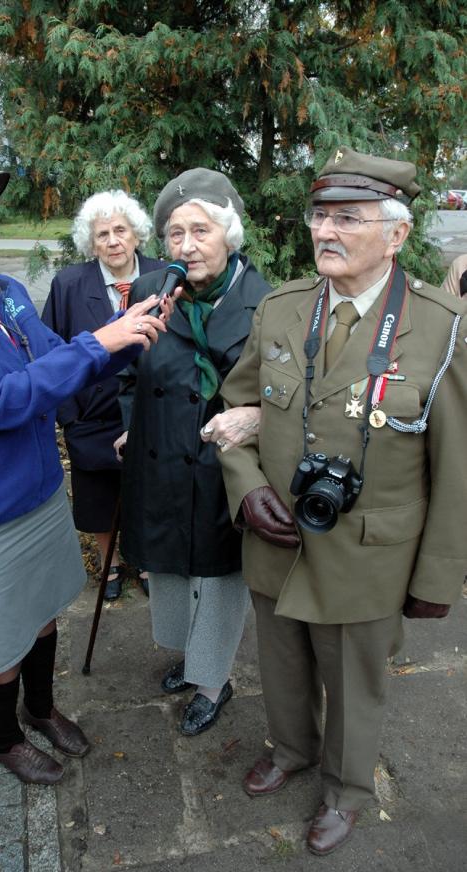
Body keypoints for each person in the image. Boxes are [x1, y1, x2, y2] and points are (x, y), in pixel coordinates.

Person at [0, 155, 174, 785]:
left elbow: (57, 364)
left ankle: (41, 709)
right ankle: (4, 737)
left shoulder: (5, 293)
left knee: (42, 613)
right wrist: (102, 342)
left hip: (38, 493)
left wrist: (126, 333)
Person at [218, 146, 467, 855]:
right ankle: (292, 747)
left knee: (355, 686)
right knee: (281, 661)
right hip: (277, 536)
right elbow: (234, 411)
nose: (325, 231)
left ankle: (348, 787)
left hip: (369, 556)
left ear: (396, 234)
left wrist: (437, 577)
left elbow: (457, 467)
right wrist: (247, 490)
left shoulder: (443, 326)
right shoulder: (282, 309)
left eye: (347, 219)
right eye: (320, 216)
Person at [117, 168, 272, 736]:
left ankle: (214, 680)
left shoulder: (267, 303)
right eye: (176, 233)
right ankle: (189, 658)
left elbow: (280, 397)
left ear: (229, 236)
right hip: (159, 457)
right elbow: (129, 375)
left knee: (221, 575)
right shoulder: (147, 292)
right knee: (171, 568)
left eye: (200, 231)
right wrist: (132, 424)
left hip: (222, 467)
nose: (186, 245)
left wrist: (256, 424)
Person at [42, 190, 163, 601]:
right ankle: (109, 560)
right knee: (97, 492)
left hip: (150, 407)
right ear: (91, 242)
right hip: (91, 412)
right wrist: (69, 415)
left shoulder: (163, 277)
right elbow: (51, 352)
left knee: (149, 488)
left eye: (120, 231)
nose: (112, 241)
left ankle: (147, 559)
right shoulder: (69, 284)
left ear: (136, 234)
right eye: (102, 234)